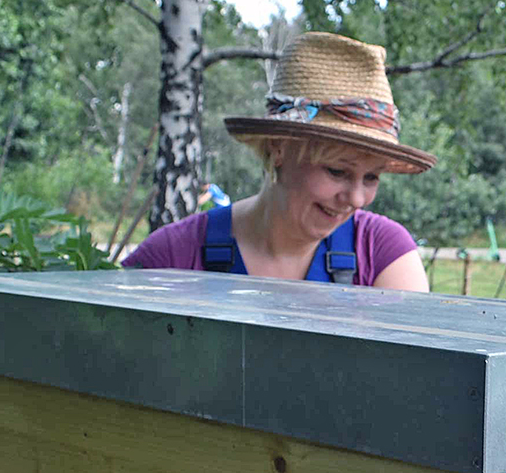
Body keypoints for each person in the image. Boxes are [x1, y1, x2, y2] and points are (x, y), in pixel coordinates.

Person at [122, 32, 434, 292]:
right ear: (279, 148)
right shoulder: (175, 253)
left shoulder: (383, 253)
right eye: (337, 171)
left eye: (371, 178)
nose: (356, 198)